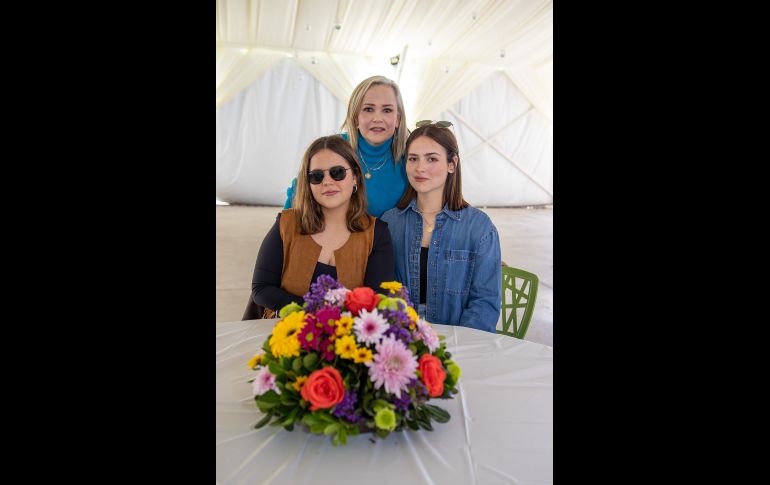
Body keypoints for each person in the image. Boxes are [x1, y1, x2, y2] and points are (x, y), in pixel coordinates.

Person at [245, 135, 395, 319]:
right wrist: (315, 315)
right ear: (308, 184)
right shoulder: (286, 224)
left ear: (355, 177)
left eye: (337, 172)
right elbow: (261, 289)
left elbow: (376, 301)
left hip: (349, 340)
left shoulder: (377, 234)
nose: (327, 181)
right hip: (283, 334)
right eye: (316, 176)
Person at [380, 122, 501, 332]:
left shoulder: (479, 227)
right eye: (413, 159)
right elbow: (383, 293)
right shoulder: (390, 222)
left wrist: (460, 346)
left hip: (460, 342)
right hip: (401, 339)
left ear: (452, 164)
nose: (420, 168)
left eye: (432, 159)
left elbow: (485, 302)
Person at [283, 75, 409, 218]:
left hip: (386, 238)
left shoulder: (412, 156)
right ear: (355, 118)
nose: (377, 118)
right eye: (368, 109)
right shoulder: (331, 148)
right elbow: (298, 195)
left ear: (398, 119)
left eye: (387, 110)